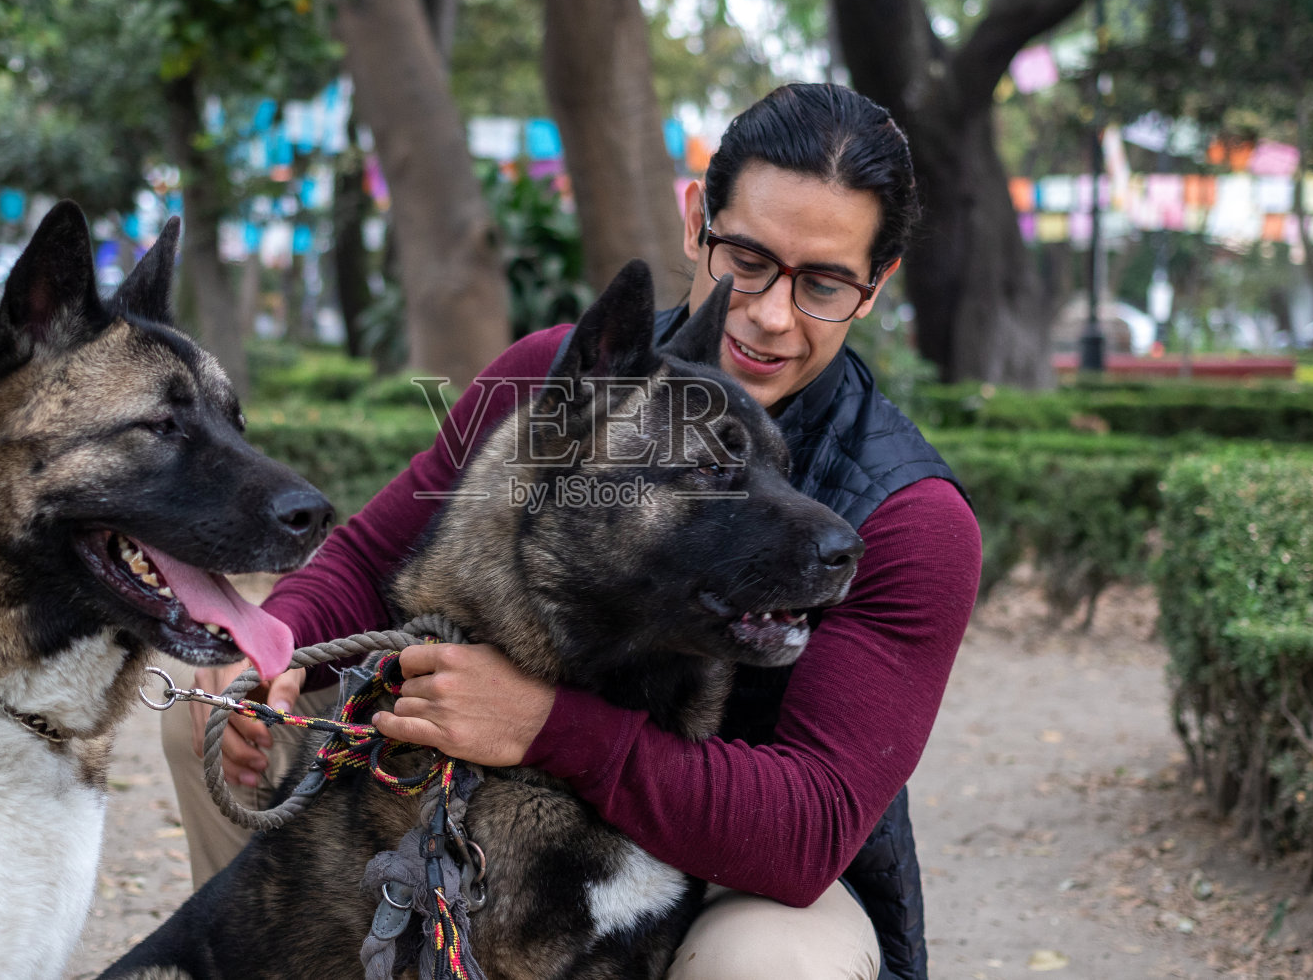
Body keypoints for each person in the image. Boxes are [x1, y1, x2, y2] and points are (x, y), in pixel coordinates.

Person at [160, 83, 982, 980]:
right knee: (222, 708)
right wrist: (275, 652)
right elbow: (369, 555)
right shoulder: (546, 382)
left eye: (821, 283)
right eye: (745, 258)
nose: (772, 313)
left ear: (874, 287)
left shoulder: (909, 516)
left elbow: (805, 827)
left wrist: (546, 727)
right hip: (508, 796)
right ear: (694, 218)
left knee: (772, 963)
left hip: (742, 864)